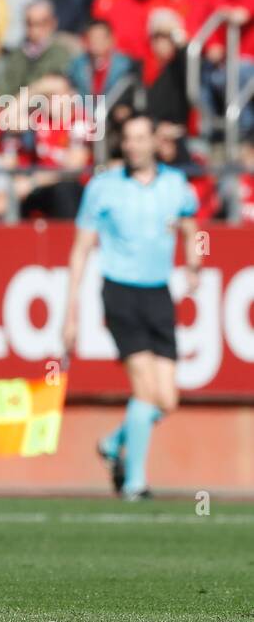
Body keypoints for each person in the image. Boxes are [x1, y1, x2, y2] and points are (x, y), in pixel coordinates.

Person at [62, 115, 200, 500]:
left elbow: (193, 226)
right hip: (120, 292)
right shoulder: (104, 188)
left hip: (158, 293)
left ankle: (111, 444)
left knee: (167, 399)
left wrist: (194, 258)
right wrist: (69, 313)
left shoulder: (176, 185)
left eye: (142, 138)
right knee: (145, 389)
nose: (135, 145)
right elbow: (80, 250)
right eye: (129, 139)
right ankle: (135, 483)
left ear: (155, 142)